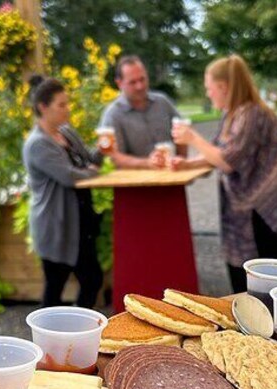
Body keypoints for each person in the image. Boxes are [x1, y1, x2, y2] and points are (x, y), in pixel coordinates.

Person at [171, 55, 277, 294]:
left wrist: (192, 138)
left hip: (270, 207)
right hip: (250, 209)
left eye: (209, 88)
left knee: (266, 285)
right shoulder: (232, 114)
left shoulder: (252, 114)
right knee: (247, 281)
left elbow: (227, 160)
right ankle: (252, 325)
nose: (208, 94)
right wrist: (186, 164)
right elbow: (217, 153)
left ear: (223, 87)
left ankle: (268, 328)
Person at [23, 75, 104, 308]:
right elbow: (69, 176)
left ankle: (76, 334)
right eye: (62, 105)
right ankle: (47, 338)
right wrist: (93, 171)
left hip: (79, 223)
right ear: (43, 107)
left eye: (67, 103)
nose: (67, 110)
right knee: (56, 285)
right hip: (56, 226)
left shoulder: (66, 132)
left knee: (91, 279)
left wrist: (102, 150)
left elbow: (87, 159)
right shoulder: (38, 144)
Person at [98, 55, 184, 169]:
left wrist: (183, 160)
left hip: (172, 179)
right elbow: (112, 156)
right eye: (132, 82)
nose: (140, 86)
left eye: (142, 79)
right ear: (119, 83)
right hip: (135, 184)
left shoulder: (162, 102)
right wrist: (147, 163)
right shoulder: (113, 114)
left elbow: (183, 132)